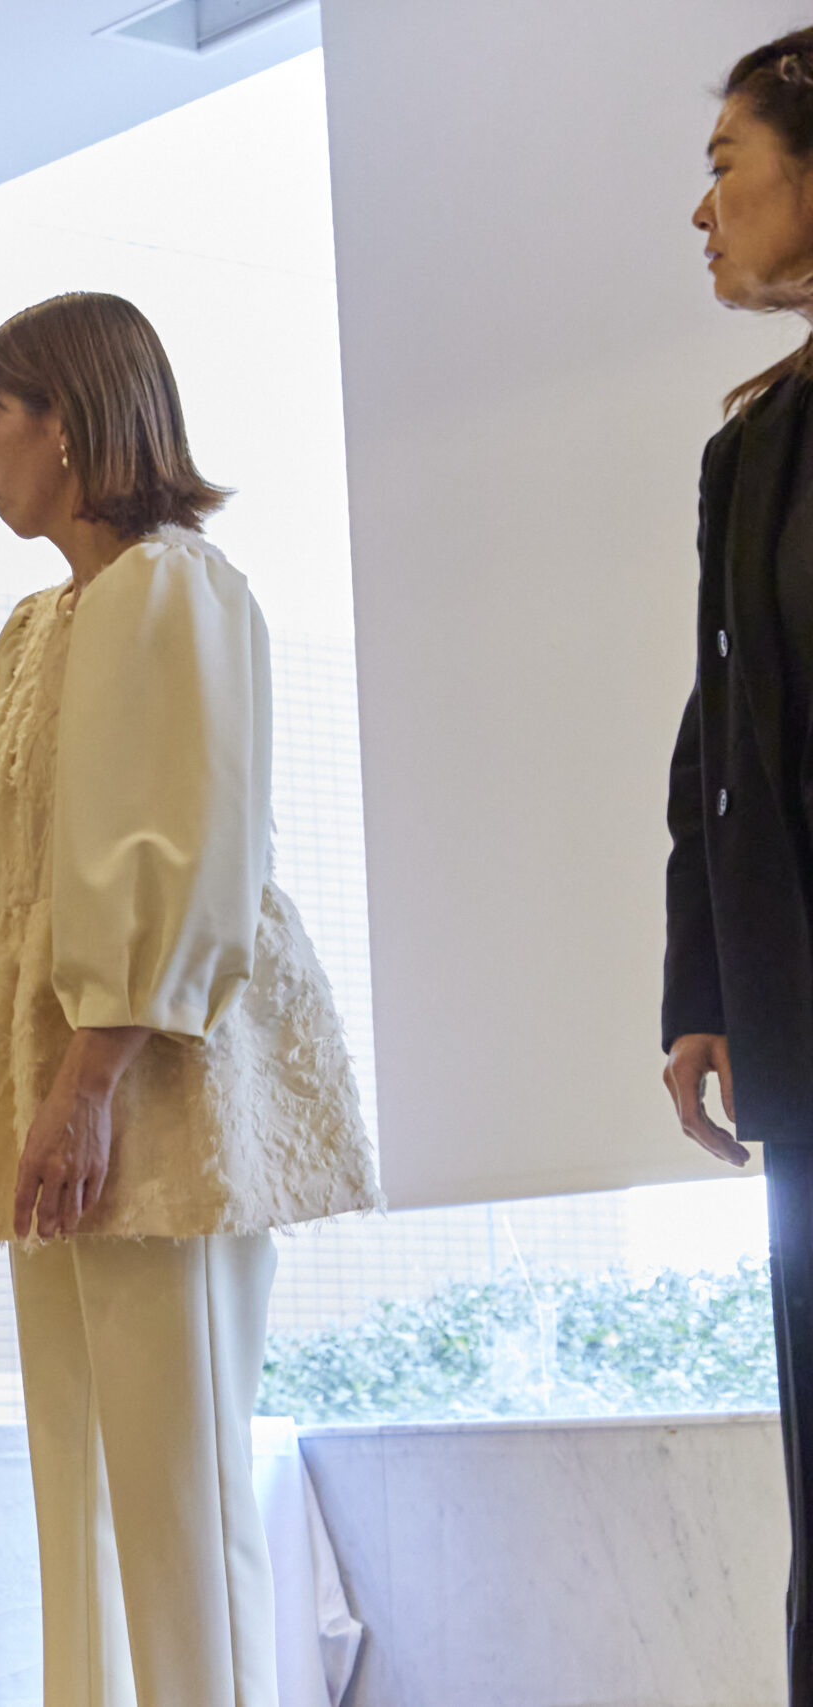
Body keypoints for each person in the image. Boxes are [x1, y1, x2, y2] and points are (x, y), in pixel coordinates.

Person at [0, 293, 379, 1707]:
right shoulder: (39, 623)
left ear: (71, 424)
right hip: (61, 1069)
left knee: (177, 1483)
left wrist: (88, 1076)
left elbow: (184, 850)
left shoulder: (173, 587)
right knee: (81, 1474)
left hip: (146, 1074)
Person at [665, 31, 813, 1700]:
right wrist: (699, 986)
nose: (703, 209)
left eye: (725, 164)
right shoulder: (750, 447)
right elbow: (713, 739)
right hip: (800, 1038)